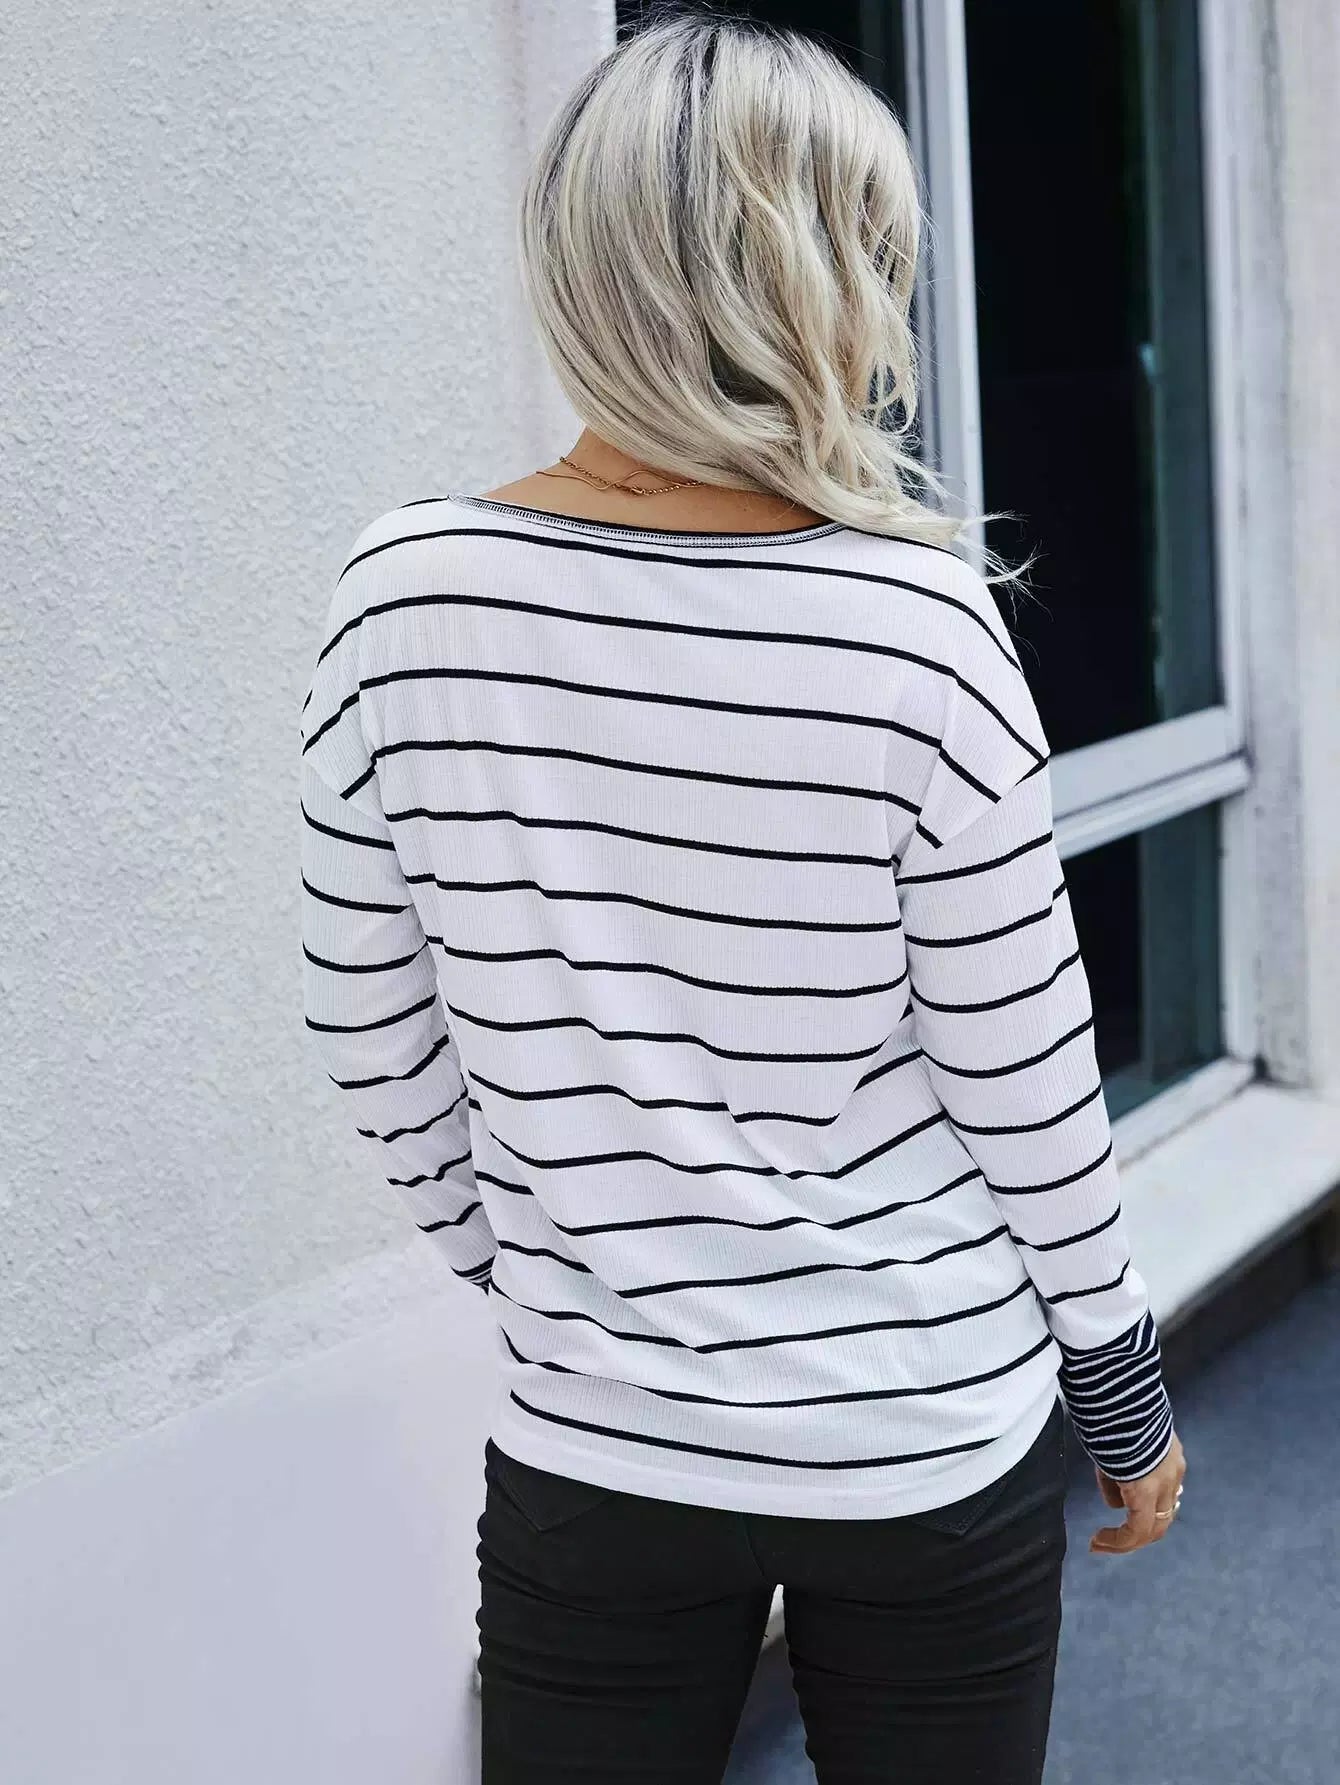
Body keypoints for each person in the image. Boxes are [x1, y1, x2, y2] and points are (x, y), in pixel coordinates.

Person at [299, 8, 1187, 1781]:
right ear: (821, 279)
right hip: (922, 1436)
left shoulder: (403, 599)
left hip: (597, 1442)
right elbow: (1024, 1086)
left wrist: (562, 1271)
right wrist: (1122, 1387)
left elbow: (369, 1037)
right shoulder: (916, 623)